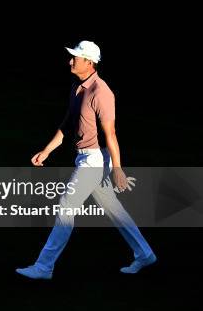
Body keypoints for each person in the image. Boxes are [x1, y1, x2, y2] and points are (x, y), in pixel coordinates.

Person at [15, 40, 156, 280]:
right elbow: (68, 125)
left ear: (89, 62)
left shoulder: (102, 93)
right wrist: (47, 150)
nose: (71, 61)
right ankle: (145, 254)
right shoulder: (77, 87)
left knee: (66, 207)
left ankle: (44, 266)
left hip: (95, 161)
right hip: (86, 159)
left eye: (76, 58)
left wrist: (118, 169)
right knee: (113, 209)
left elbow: (110, 134)